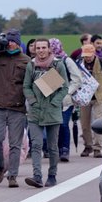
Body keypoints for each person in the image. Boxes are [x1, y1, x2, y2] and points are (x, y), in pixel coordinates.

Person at [0, 29, 31, 188]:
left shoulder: (26, 60)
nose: (10, 43)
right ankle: (0, 168)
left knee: (15, 144)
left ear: (19, 42)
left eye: (14, 41)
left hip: (17, 107)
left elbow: (34, 82)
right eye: (8, 41)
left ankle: (13, 176)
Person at [22, 38, 69, 188]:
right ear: (34, 50)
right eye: (38, 48)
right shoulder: (31, 65)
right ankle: (37, 176)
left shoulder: (57, 65)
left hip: (52, 112)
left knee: (52, 146)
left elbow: (64, 88)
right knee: (36, 144)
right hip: (35, 112)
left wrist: (55, 102)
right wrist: (33, 101)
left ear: (49, 49)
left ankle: (52, 175)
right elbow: (26, 86)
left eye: (43, 48)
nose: (41, 50)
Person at [77, 44, 102, 158]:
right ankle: (88, 145)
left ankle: (97, 148)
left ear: (93, 53)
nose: (87, 58)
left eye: (89, 55)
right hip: (84, 97)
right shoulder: (79, 63)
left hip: (100, 96)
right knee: (84, 123)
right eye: (85, 56)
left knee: (98, 122)